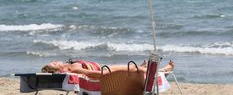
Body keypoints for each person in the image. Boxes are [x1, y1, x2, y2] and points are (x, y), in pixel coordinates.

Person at [41, 59, 175, 79]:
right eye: (53, 64)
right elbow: (91, 74)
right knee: (134, 70)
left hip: (104, 68)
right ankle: (163, 71)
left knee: (134, 68)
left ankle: (160, 71)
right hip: (104, 72)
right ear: (56, 71)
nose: (55, 61)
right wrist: (106, 74)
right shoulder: (71, 70)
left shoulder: (69, 66)